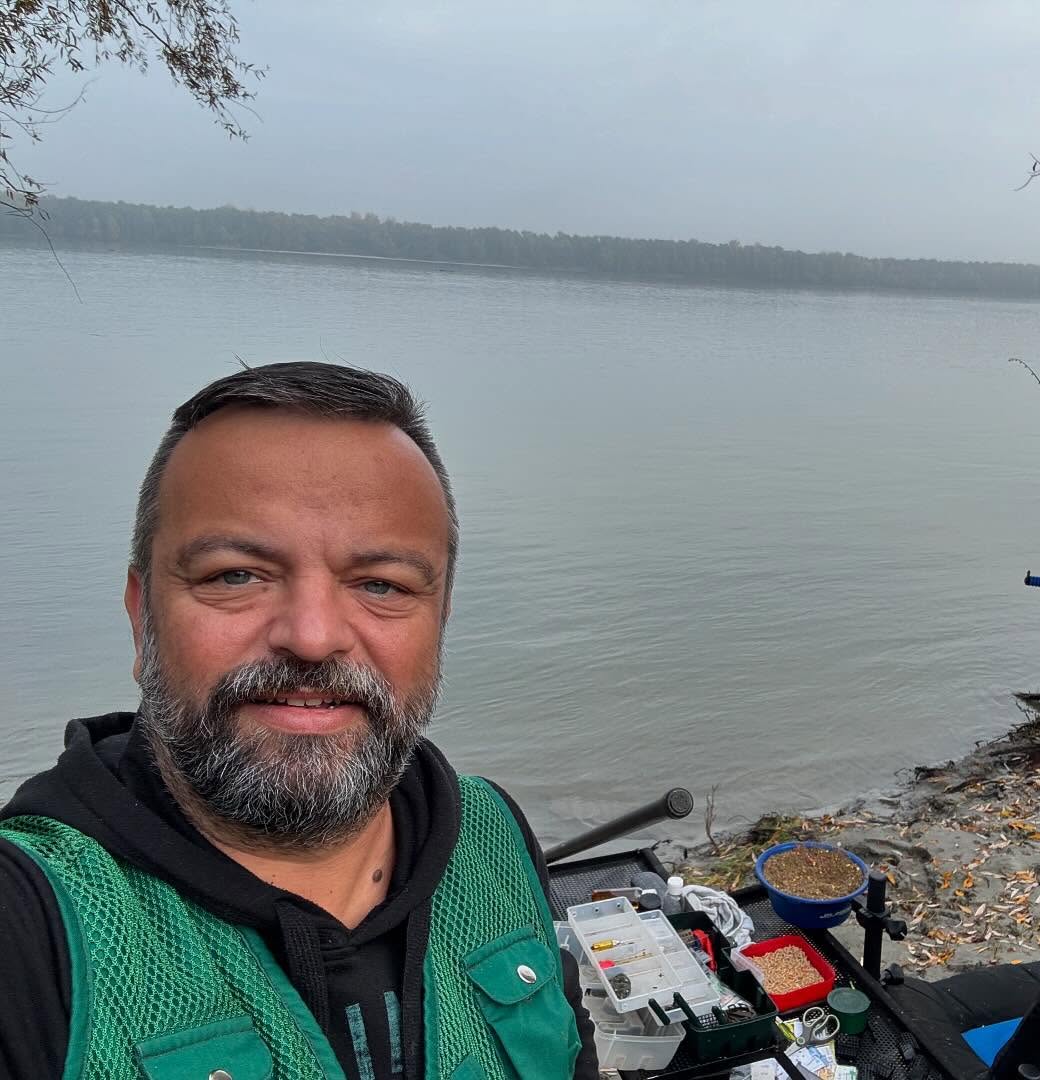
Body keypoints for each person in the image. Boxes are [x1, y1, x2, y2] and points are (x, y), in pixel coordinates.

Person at [0, 362, 599, 1079]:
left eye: (381, 584)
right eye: (235, 575)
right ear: (142, 619)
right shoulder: (28, 928)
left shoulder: (489, 835)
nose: (312, 637)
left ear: (439, 623)